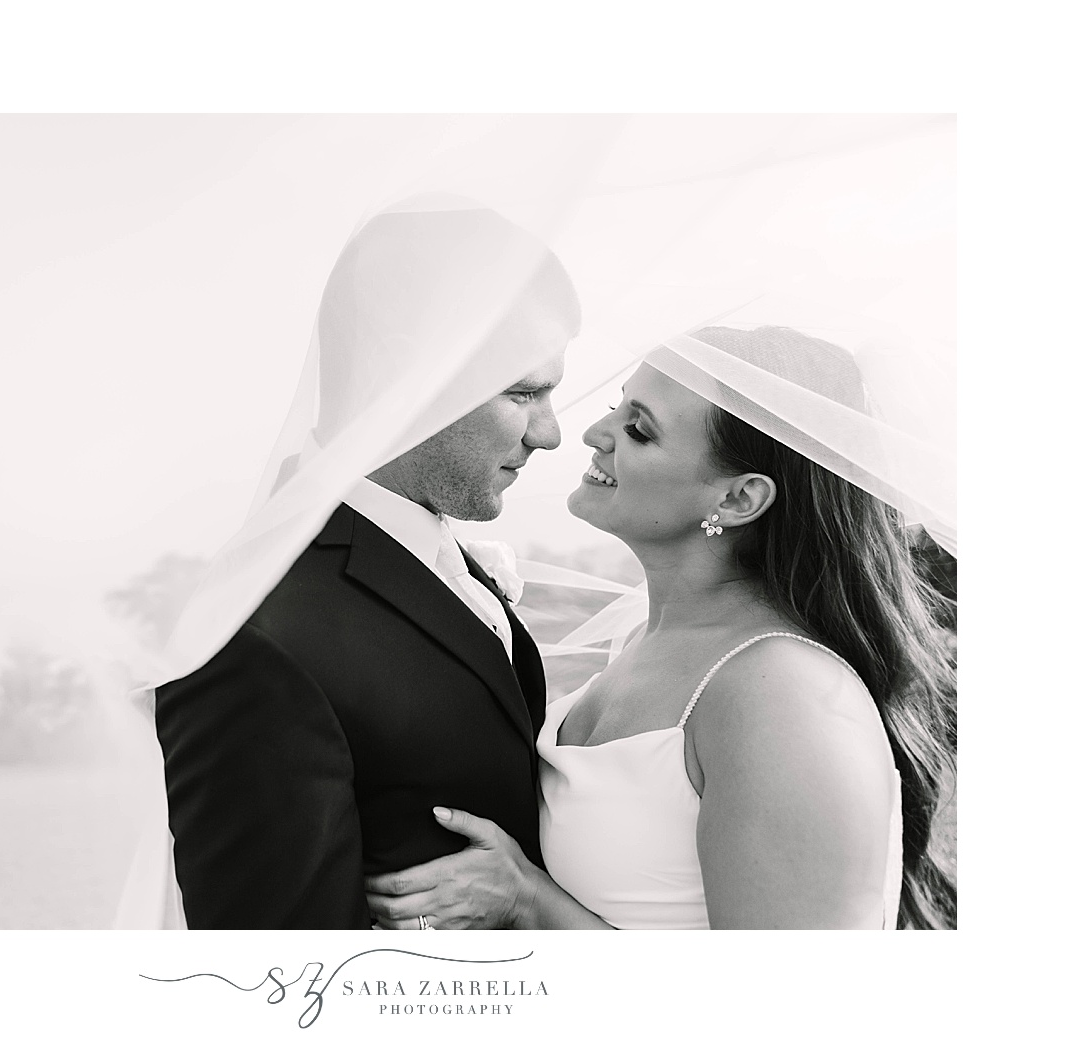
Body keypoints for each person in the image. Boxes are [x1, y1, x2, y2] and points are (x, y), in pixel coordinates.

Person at [364, 325, 957, 930]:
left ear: (737, 500)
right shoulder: (643, 645)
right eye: (615, 408)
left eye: (639, 429)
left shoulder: (785, 693)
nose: (594, 435)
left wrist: (529, 903)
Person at [152, 206, 582, 928]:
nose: (550, 432)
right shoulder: (256, 635)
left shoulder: (430, 556)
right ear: (415, 372)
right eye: (522, 392)